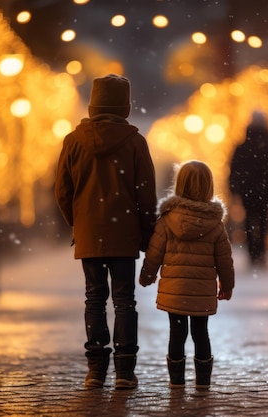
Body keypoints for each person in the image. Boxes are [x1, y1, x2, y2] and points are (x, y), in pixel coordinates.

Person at [54, 74, 157, 390]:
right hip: (124, 234)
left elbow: (61, 190)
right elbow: (146, 194)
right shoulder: (135, 142)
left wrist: (79, 221)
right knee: (125, 300)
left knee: (94, 299)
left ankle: (95, 369)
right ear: (124, 106)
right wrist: (146, 232)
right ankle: (125, 369)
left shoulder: (73, 141)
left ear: (93, 104)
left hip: (90, 234)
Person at [139, 160, 235, 389]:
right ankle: (202, 381)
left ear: (179, 185)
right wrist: (227, 284)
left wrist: (147, 275)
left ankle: (177, 380)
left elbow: (154, 253)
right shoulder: (215, 224)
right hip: (201, 291)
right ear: (209, 187)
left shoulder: (166, 221)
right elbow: (224, 258)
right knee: (201, 333)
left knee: (177, 333)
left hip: (175, 291)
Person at [229, 112, 268, 265]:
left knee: (248, 222)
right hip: (265, 191)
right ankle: (261, 253)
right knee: (264, 222)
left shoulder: (242, 146)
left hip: (248, 192)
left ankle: (252, 253)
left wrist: (234, 189)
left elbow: (234, 169)